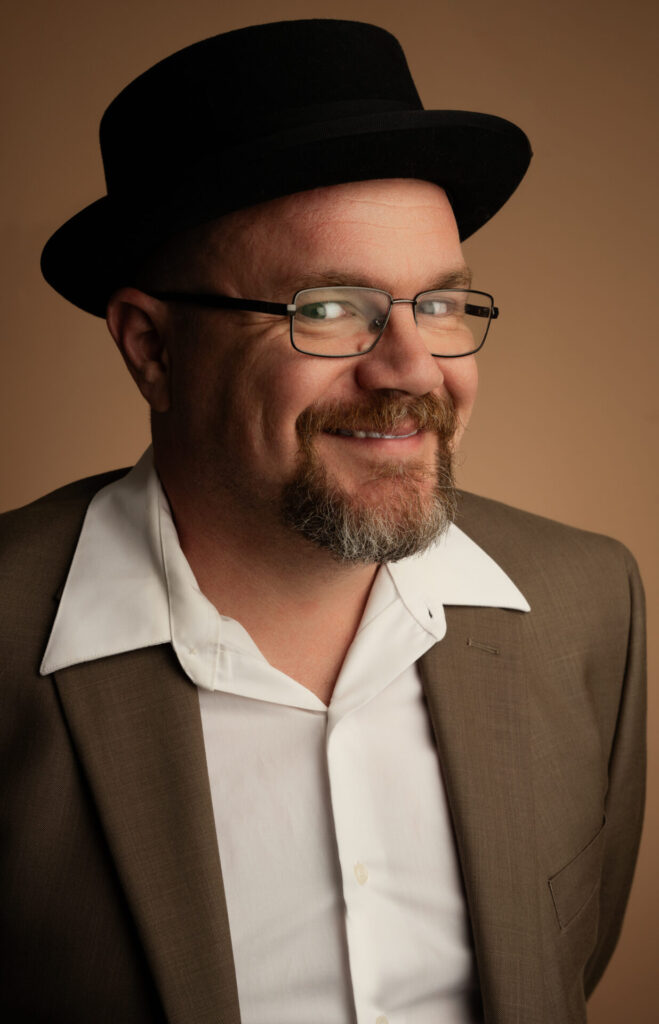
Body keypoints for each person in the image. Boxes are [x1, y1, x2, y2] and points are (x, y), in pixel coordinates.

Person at [0, 19, 645, 1024]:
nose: (409, 368)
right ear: (150, 346)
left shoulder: (585, 603)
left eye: (437, 304)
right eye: (330, 307)